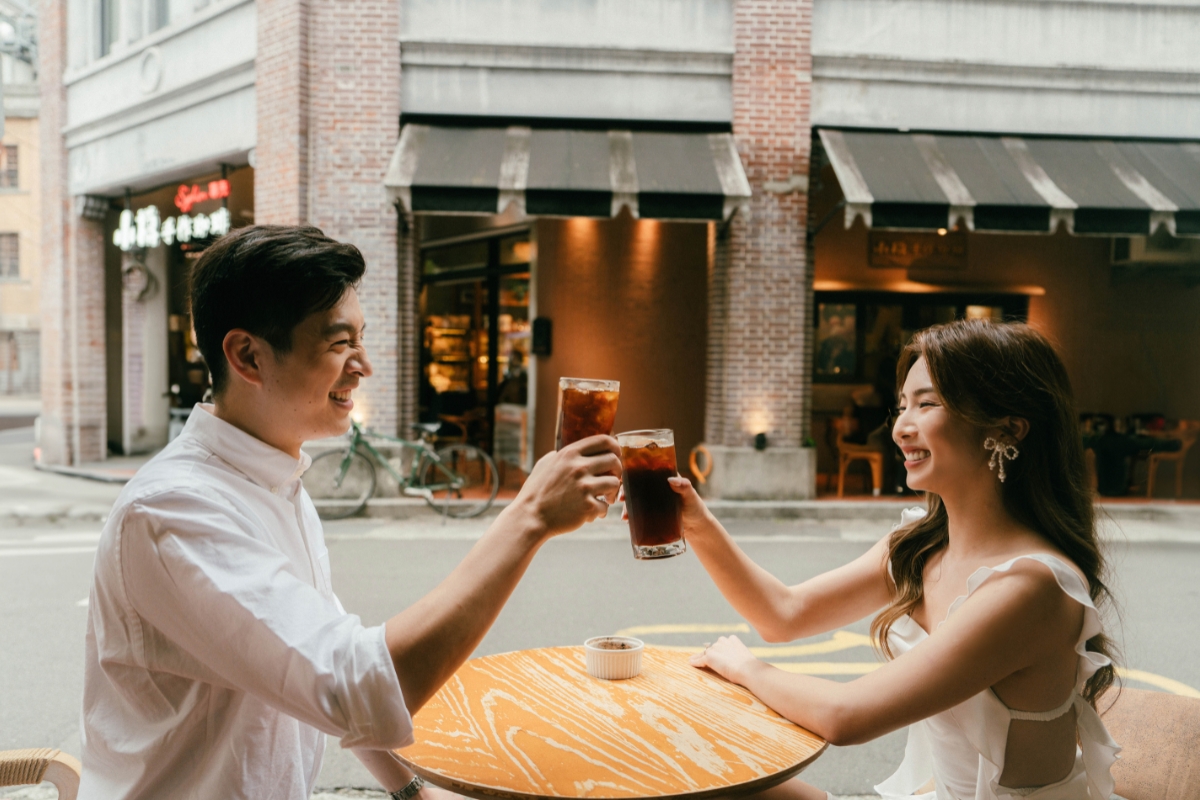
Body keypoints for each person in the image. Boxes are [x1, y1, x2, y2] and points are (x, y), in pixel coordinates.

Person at [79, 226, 622, 800]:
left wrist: (412, 791)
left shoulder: (277, 480)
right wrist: (529, 516)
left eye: (360, 340)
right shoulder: (174, 511)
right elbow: (354, 684)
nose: (363, 365)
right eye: (339, 343)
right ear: (247, 355)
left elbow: (314, 664)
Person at [680, 320, 1120, 800]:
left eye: (927, 404)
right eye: (902, 406)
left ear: (1008, 427)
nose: (900, 428)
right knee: (711, 784)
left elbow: (845, 717)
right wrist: (697, 523)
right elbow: (783, 614)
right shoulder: (920, 547)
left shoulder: (1032, 586)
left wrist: (746, 668)